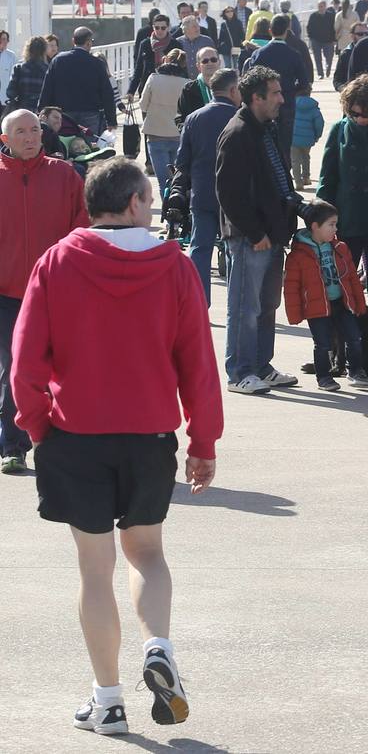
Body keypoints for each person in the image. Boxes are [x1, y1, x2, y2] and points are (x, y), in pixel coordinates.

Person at [12, 157, 219, 735]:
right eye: (149, 200)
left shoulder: (55, 262)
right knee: (147, 553)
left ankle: (107, 700)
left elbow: (25, 360)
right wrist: (202, 441)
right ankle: (159, 644)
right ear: (133, 204)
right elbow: (198, 365)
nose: (152, 209)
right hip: (149, 432)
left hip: (75, 432)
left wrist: (35, 425)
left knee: (94, 568)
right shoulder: (175, 266)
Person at [0, 109, 89, 475]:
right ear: (5, 140)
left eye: (34, 129)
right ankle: (13, 446)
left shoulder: (64, 175)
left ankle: (59, 444)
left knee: (59, 371)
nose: (30, 136)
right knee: (15, 369)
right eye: (20, 131)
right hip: (5, 294)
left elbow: (82, 229)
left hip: (54, 291)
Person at [214, 66, 301, 396]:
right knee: (244, 307)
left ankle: (261, 365)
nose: (281, 98)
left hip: (273, 233)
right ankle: (240, 372)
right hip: (252, 238)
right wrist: (253, 233)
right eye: (275, 93)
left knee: (266, 306)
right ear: (256, 98)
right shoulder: (237, 133)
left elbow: (279, 178)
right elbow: (228, 192)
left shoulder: (267, 128)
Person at [318, 76, 368, 311]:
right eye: (354, 113)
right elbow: (328, 178)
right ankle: (344, 337)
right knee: (342, 284)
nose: (360, 119)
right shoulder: (340, 130)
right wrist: (321, 219)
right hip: (347, 219)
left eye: (366, 114)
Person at [168, 69, 239, 304]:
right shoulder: (241, 117)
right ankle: (235, 301)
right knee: (233, 249)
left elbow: (182, 161)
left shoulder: (194, 118)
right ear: (232, 90)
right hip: (232, 198)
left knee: (200, 248)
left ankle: (199, 302)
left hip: (202, 194)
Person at [284, 200, 368, 390]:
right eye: (331, 224)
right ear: (315, 226)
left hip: (341, 302)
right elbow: (291, 287)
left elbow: (352, 277)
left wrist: (359, 303)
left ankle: (355, 370)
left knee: (354, 337)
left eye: (335, 224)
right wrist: (295, 314)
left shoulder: (340, 248)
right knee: (322, 344)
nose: (335, 228)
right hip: (316, 307)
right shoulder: (298, 255)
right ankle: (324, 377)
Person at [242, 15, 309, 162]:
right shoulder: (294, 55)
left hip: (262, 104)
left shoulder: (258, 54)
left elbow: (250, 80)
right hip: (286, 103)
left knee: (264, 144)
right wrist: (290, 91)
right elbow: (305, 83)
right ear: (287, 31)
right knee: (284, 146)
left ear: (270, 30)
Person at [38, 27, 117, 136]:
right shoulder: (97, 63)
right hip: (91, 113)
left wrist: (42, 110)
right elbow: (107, 93)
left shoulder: (58, 60)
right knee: (90, 147)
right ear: (89, 43)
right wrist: (111, 119)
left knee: (65, 144)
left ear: (73, 41)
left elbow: (47, 88)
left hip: (63, 114)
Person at [137, 49, 190, 204]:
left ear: (166, 60)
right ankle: (178, 214)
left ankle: (168, 218)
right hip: (178, 135)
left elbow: (143, 105)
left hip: (155, 134)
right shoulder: (187, 83)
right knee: (177, 180)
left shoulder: (153, 79)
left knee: (163, 181)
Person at [291, 81, 325, 190]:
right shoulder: (313, 107)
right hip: (308, 139)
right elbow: (320, 123)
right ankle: (306, 177)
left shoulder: (292, 105)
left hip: (293, 138)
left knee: (295, 160)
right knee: (306, 157)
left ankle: (298, 182)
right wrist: (317, 135)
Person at [176, 46, 222, 127]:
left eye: (213, 60)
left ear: (219, 62)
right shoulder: (189, 89)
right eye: (205, 61)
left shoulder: (230, 86)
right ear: (198, 66)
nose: (210, 63)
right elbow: (180, 119)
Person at [5, 35, 50, 114]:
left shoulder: (18, 68)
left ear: (28, 50)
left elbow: (10, 93)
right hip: (41, 111)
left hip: (22, 110)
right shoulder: (48, 69)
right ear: (44, 50)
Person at [306, 0, 337, 76]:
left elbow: (334, 28)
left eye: (322, 6)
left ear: (325, 7)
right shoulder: (313, 16)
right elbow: (309, 27)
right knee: (317, 58)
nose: (320, 8)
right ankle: (320, 73)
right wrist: (311, 37)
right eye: (319, 6)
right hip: (316, 40)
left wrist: (334, 39)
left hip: (328, 40)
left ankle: (328, 67)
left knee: (329, 57)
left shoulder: (331, 16)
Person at [0, 30, 16, 107]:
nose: (4, 41)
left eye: (5, 39)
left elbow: (14, 77)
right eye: (2, 39)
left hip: (5, 97)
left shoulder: (11, 56)